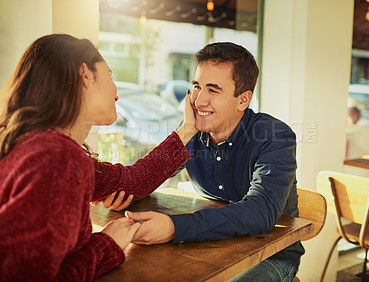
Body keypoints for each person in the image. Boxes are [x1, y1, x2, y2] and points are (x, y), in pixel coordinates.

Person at [0, 34, 197, 281]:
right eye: (110, 75)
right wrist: (108, 243)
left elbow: (132, 181)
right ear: (85, 75)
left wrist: (188, 128)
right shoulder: (59, 158)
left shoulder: (38, 145)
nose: (116, 92)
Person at [103, 42, 303, 281]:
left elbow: (260, 212)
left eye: (213, 90)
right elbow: (149, 175)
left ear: (243, 100)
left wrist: (174, 228)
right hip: (207, 247)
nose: (198, 101)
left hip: (269, 255)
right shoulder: (192, 128)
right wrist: (129, 195)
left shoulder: (274, 136)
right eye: (197, 87)